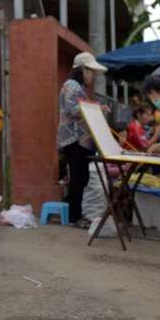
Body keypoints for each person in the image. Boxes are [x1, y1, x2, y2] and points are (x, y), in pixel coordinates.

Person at [54, 52, 109, 228]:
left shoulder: (78, 87)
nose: (92, 75)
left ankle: (76, 215)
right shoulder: (71, 85)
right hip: (74, 140)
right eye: (90, 71)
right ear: (82, 69)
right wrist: (97, 107)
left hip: (81, 141)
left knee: (81, 178)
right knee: (78, 179)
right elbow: (73, 110)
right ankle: (73, 217)